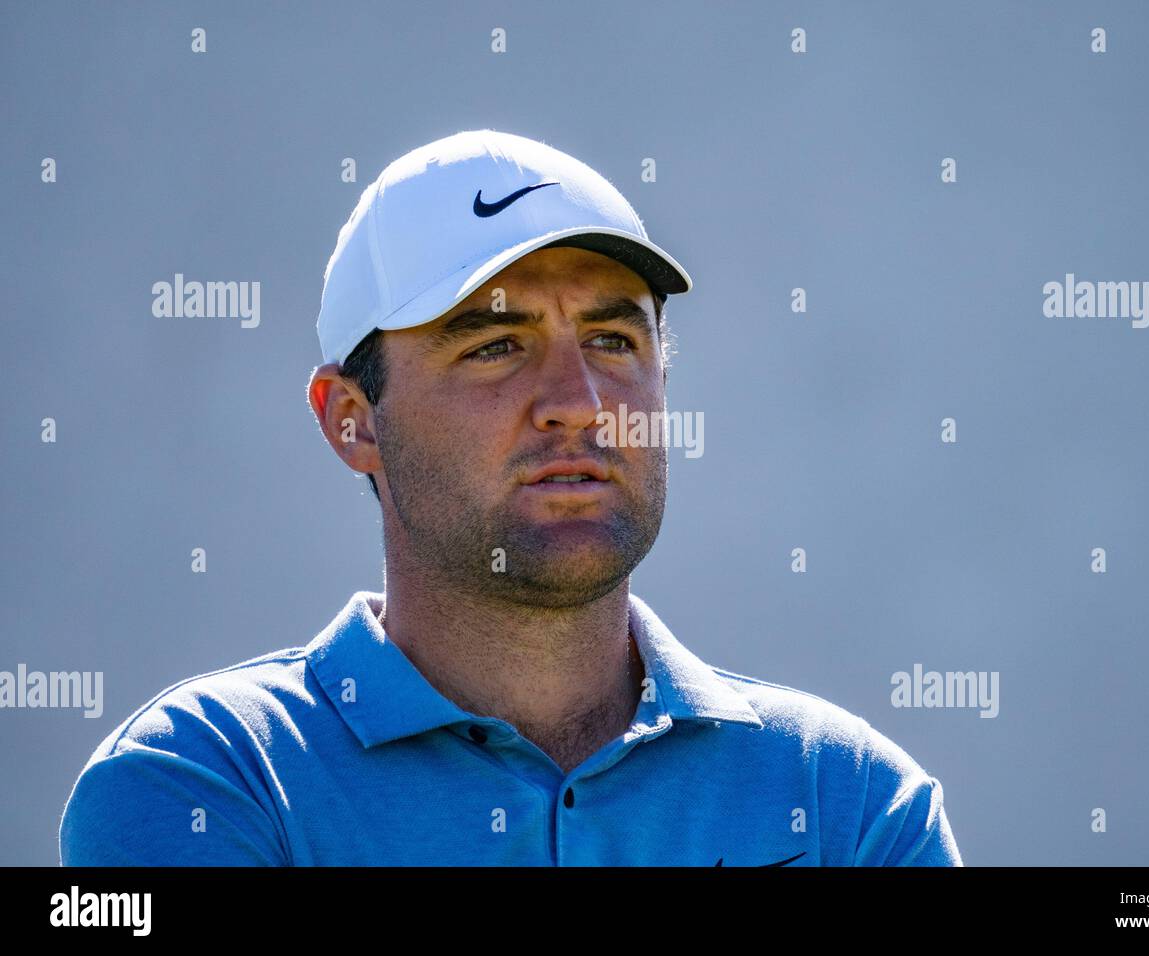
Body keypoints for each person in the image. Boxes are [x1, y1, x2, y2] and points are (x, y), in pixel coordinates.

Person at [59, 129, 962, 866]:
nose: (580, 403)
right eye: (494, 344)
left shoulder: (849, 802)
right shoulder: (205, 781)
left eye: (614, 340)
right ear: (352, 421)